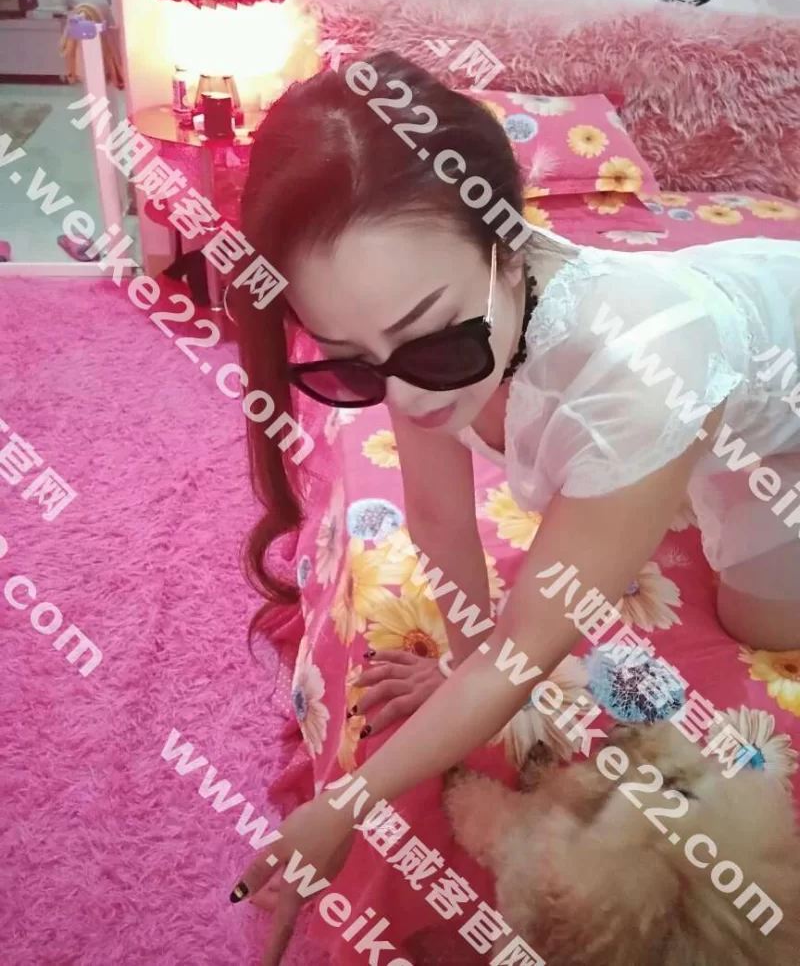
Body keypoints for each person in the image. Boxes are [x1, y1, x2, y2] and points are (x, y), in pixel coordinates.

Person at [229, 51, 800, 961]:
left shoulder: (635, 373)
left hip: (768, 389)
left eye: (433, 342)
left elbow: (528, 648)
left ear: (509, 244)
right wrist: (466, 675)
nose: (403, 398)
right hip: (722, 360)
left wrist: (347, 803)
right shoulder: (424, 328)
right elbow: (440, 520)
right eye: (353, 364)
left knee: (762, 619)